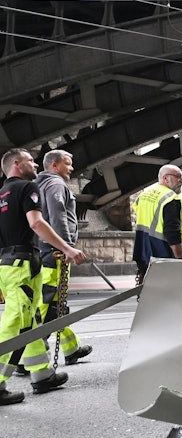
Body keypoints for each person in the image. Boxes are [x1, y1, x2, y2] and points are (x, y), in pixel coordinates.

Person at [0, 148, 87, 406]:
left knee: (34, 319)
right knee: (17, 323)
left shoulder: (2, 194)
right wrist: (67, 248)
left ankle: (41, 374)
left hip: (6, 264)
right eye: (30, 160)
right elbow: (37, 223)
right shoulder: (28, 188)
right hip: (23, 264)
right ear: (17, 164)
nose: (36, 164)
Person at [35, 149, 92, 365]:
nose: (71, 168)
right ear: (54, 165)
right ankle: (27, 355)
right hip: (55, 253)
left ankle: (71, 348)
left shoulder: (37, 185)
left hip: (43, 250)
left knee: (56, 303)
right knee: (48, 305)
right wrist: (67, 247)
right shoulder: (56, 184)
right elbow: (58, 215)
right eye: (67, 163)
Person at [132, 164, 182, 283]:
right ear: (165, 178)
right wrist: (180, 259)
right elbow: (172, 232)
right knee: (167, 291)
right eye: (178, 177)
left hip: (143, 252)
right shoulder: (171, 198)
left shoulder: (143, 196)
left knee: (147, 290)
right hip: (162, 255)